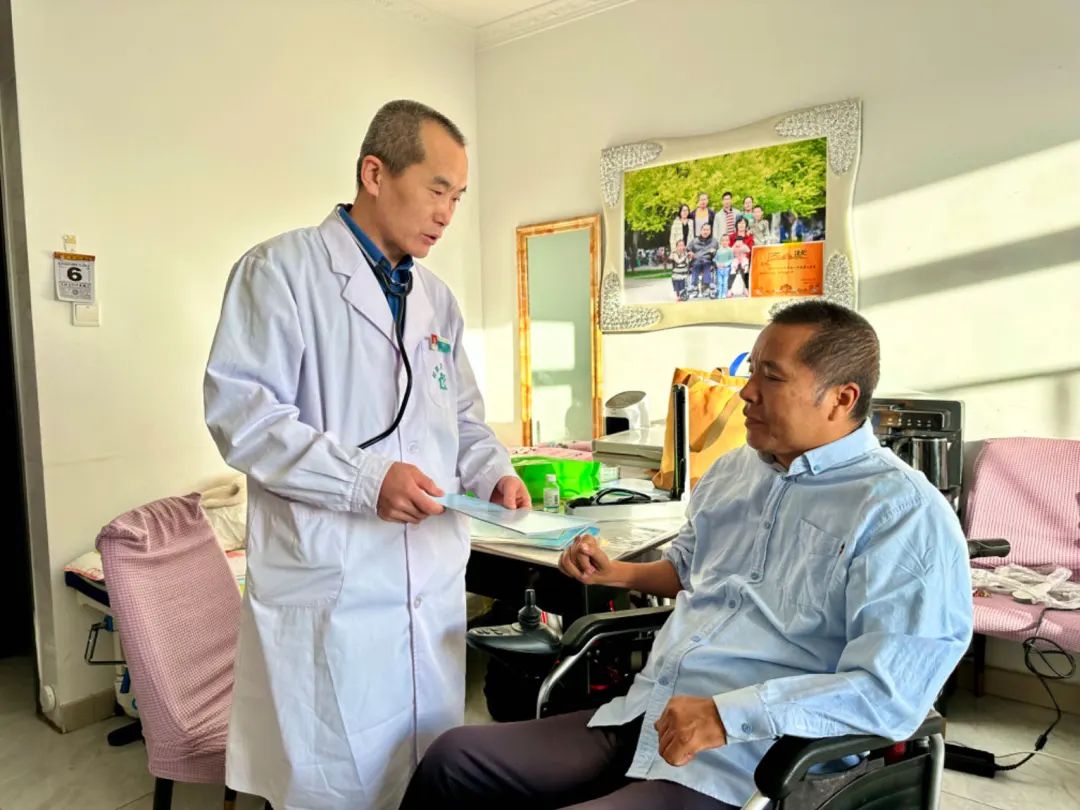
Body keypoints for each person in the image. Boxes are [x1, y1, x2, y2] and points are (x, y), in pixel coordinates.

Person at [400, 301, 974, 810]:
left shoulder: (900, 514)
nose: (746, 392)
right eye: (752, 371)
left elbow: (889, 693)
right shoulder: (735, 472)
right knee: (454, 759)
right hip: (651, 714)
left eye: (771, 377)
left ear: (841, 398)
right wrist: (616, 572)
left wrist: (728, 715)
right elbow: (688, 569)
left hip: (757, 760)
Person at [204, 99, 529, 810]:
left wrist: (494, 471)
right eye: (437, 189)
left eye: (458, 197)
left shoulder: (437, 300)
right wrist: (365, 480)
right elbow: (244, 419)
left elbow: (462, 418)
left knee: (427, 779)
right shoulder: (280, 271)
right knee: (336, 786)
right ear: (375, 174)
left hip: (428, 587)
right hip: (334, 590)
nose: (447, 214)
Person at [687, 222, 719, 299]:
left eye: (707, 230)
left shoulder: (714, 241)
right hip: (696, 260)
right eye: (704, 230)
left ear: (710, 231)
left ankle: (706, 286)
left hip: (708, 261)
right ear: (701, 231)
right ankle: (694, 286)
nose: (705, 231)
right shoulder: (694, 241)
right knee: (696, 265)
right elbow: (688, 249)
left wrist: (714, 252)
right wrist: (690, 252)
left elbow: (717, 253)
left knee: (706, 265)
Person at [727, 218, 754, 298]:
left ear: (746, 226)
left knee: (746, 268)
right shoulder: (731, 236)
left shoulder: (749, 236)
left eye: (743, 223)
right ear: (736, 225)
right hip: (734, 258)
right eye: (739, 223)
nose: (741, 225)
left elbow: (750, 250)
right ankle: (730, 289)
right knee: (732, 268)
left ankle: (746, 289)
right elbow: (729, 250)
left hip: (746, 258)